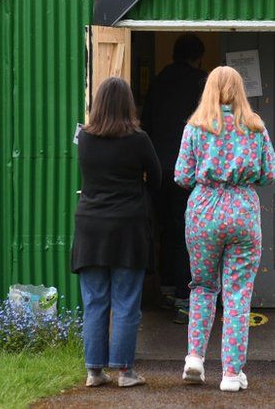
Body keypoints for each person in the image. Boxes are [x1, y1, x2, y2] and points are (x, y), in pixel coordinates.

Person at [173, 66, 275, 392]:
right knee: (237, 295)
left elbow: (182, 176)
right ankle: (231, 374)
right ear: (239, 90)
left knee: (203, 287)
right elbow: (270, 172)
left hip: (204, 213)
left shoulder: (194, 128)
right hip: (243, 214)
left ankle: (194, 358)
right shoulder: (254, 126)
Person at [71, 77, 162, 388]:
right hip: (128, 227)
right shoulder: (139, 139)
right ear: (128, 104)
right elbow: (158, 179)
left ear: (98, 104)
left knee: (94, 301)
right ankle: (125, 372)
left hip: (90, 227)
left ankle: (94, 372)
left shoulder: (84, 138)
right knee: (125, 300)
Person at [140, 33, 207, 323]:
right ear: (197, 57)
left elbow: (148, 125)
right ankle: (184, 297)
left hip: (158, 169)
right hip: (187, 170)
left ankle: (166, 289)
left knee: (166, 228)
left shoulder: (158, 81)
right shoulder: (201, 83)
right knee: (185, 232)